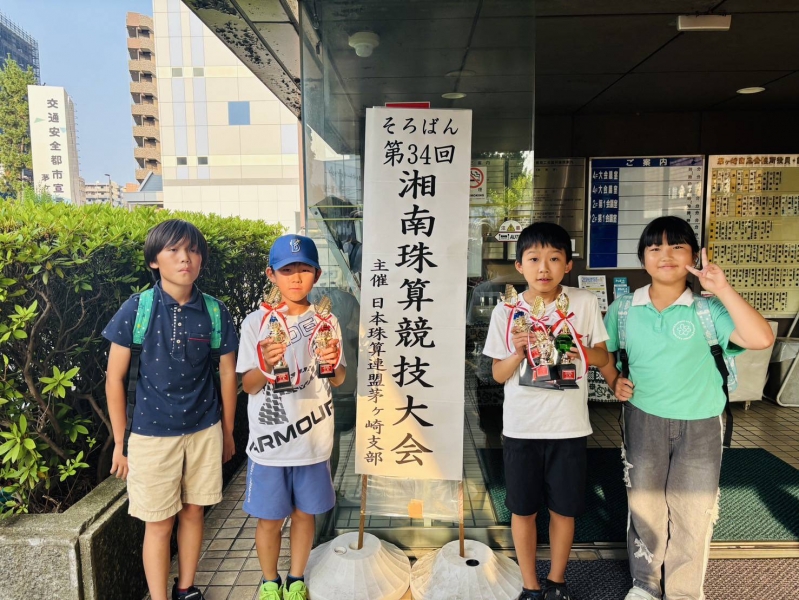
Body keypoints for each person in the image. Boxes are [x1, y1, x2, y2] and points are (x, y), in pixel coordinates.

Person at [598, 216, 774, 600]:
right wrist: (613, 379)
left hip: (702, 424)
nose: (665, 255)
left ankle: (684, 591)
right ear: (642, 258)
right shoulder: (624, 309)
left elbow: (761, 338)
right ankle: (645, 584)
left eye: (677, 246)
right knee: (645, 507)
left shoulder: (709, 310)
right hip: (643, 418)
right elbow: (603, 351)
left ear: (694, 256)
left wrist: (722, 288)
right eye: (655, 247)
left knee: (694, 512)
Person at [104, 219, 239, 600]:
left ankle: (186, 589)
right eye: (174, 250)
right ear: (154, 260)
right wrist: (121, 443)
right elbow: (114, 379)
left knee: (194, 512)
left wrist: (227, 432)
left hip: (204, 430)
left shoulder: (215, 312)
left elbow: (227, 374)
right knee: (159, 523)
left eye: (193, 251)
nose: (185, 259)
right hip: (150, 436)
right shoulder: (137, 309)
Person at [483, 222, 609, 600]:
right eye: (534, 259)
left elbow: (603, 358)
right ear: (519, 266)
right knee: (522, 510)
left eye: (554, 259)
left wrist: (577, 349)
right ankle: (530, 584)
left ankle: (556, 582)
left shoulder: (582, 303)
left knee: (563, 510)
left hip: (568, 427)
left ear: (567, 265)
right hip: (522, 428)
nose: (544, 268)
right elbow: (498, 374)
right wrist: (518, 352)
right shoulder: (507, 311)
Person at [237, 234, 347, 600]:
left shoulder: (326, 321)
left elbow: (339, 378)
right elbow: (249, 385)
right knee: (269, 520)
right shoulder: (256, 323)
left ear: (317, 275)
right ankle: (270, 583)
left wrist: (332, 360)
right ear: (271, 274)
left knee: (304, 515)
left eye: (304, 269)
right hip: (271, 443)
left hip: (313, 440)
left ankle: (296, 579)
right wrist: (266, 365)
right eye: (287, 270)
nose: (296, 277)